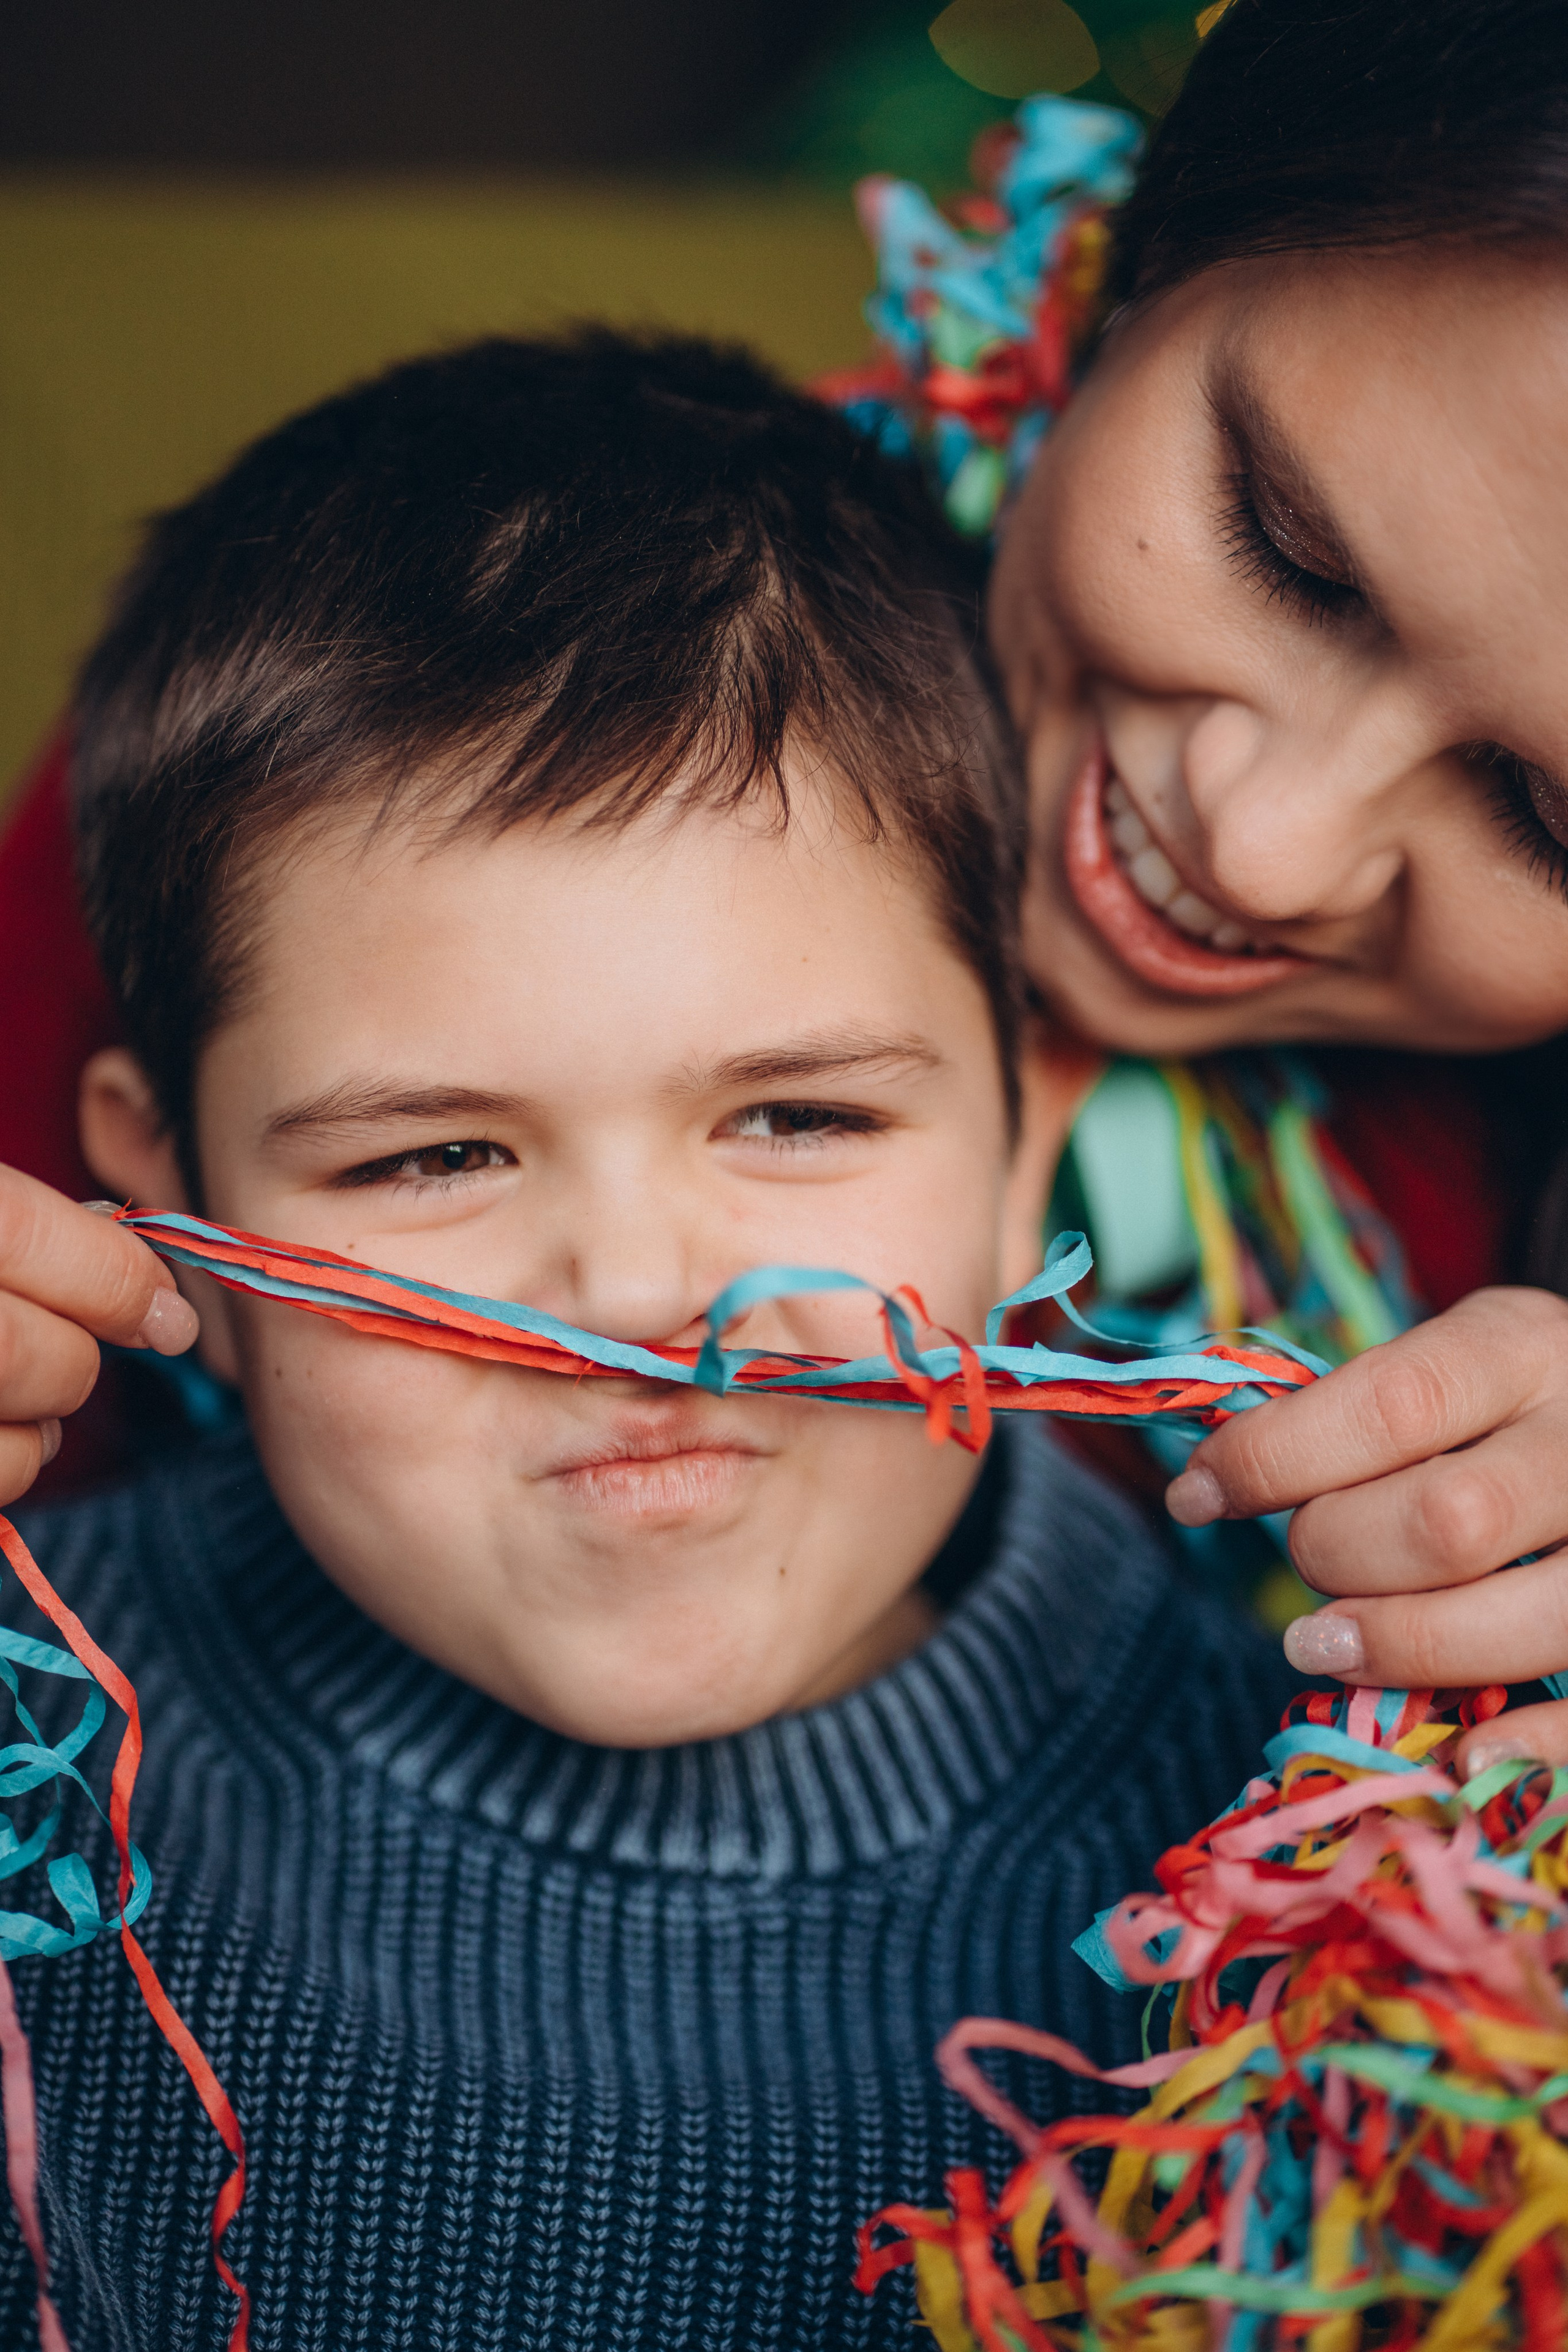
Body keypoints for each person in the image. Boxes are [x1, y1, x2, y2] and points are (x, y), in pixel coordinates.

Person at [0, 331, 1295, 2349]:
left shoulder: (1318, 1856)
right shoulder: (27, 1778)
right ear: (165, 1215)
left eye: (799, 1117)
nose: (631, 1294)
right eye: (432, 1154)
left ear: (1027, 1133)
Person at [972, 0, 1568, 1778]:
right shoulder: (419, 679)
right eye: (1288, 550)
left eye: (1546, 823)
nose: (1264, 847)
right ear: (1145, 256)